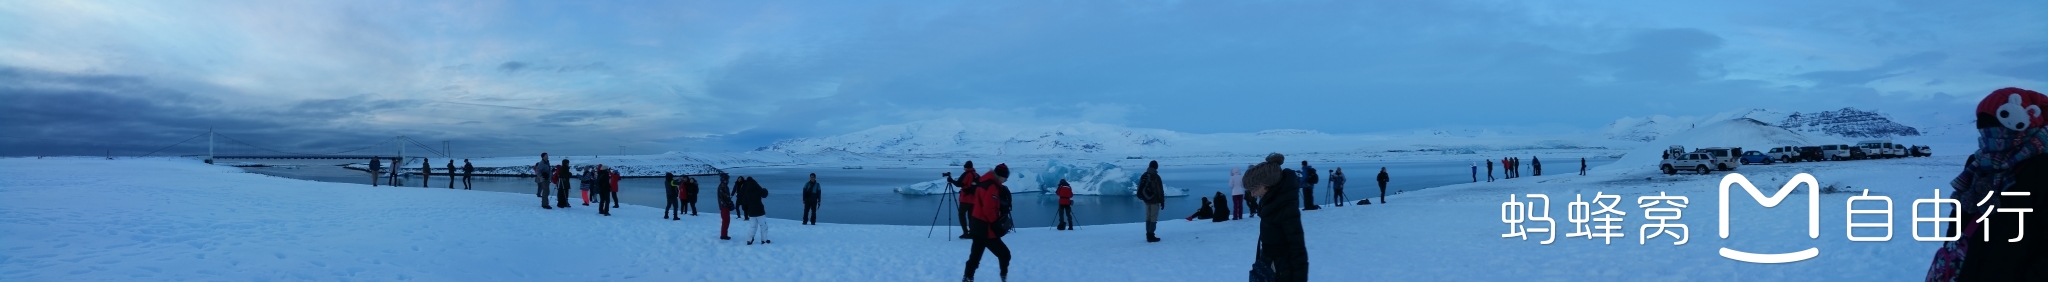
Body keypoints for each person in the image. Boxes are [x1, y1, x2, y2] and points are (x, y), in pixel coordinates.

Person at [1924, 87, 2048, 281]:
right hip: (1968, 268)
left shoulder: (2041, 167)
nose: (1987, 132)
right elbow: (1960, 216)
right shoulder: (1977, 162)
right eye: (1982, 124)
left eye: (1993, 123)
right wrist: (1950, 251)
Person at [1242, 153, 1309, 282]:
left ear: (1266, 185)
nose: (1252, 193)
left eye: (1253, 189)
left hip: (1283, 272)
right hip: (1271, 268)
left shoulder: (1286, 208)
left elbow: (1298, 249)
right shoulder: (1270, 202)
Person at [962, 163, 1013, 282]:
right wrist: (996, 224)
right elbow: (988, 209)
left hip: (976, 224)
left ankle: (967, 277)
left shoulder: (985, 182)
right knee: (1005, 254)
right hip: (985, 227)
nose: (1006, 180)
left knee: (975, 255)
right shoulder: (991, 186)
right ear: (1001, 176)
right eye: (1006, 177)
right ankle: (1004, 276)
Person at [946, 161, 981, 239]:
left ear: (966, 167)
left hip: (966, 199)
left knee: (961, 214)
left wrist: (951, 180)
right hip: (974, 199)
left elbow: (959, 184)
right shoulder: (976, 175)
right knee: (971, 216)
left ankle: (966, 232)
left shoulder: (966, 174)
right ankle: (972, 232)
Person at [1136, 160, 1166, 242]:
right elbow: (1160, 190)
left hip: (1147, 200)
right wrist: (1162, 201)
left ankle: (1148, 234)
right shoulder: (1155, 176)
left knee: (1148, 217)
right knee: (1153, 218)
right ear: (1156, 167)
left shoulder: (1144, 175)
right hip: (1154, 200)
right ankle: (1151, 235)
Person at [740, 174, 771, 245]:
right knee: (763, 225)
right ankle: (764, 240)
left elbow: (744, 201)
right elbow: (764, 194)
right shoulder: (757, 186)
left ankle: (749, 239)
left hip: (751, 211)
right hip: (760, 210)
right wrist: (765, 190)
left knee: (752, 226)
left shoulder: (746, 189)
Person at [716, 173, 734, 240]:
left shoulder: (723, 185)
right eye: (727, 179)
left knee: (726, 220)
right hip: (724, 205)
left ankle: (724, 234)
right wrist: (730, 203)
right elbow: (726, 197)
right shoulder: (723, 186)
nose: (728, 180)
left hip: (723, 205)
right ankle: (723, 235)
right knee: (726, 220)